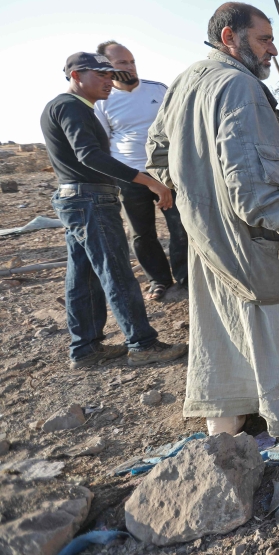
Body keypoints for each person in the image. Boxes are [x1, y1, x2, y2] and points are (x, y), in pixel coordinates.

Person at [146, 2, 279, 437]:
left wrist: (189, 196)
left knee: (222, 326)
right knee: (278, 320)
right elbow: (252, 181)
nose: (271, 51)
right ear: (230, 38)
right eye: (264, 40)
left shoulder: (185, 81)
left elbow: (156, 151)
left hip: (204, 235)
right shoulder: (240, 87)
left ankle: (225, 423)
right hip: (249, 236)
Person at [40, 52, 189, 369]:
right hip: (90, 199)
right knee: (117, 273)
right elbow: (89, 156)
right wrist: (149, 181)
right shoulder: (71, 107)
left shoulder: (70, 107)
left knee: (83, 276)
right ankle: (142, 344)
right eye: (101, 75)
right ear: (77, 75)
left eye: (111, 75)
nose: (110, 80)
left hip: (78, 199)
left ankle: (85, 348)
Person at [94, 41, 188, 301]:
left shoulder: (158, 90)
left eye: (132, 61)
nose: (130, 66)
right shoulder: (102, 101)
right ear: (106, 66)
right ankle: (158, 280)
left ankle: (186, 279)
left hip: (166, 172)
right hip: (129, 177)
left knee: (181, 226)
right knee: (141, 233)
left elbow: (179, 127)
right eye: (122, 62)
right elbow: (104, 141)